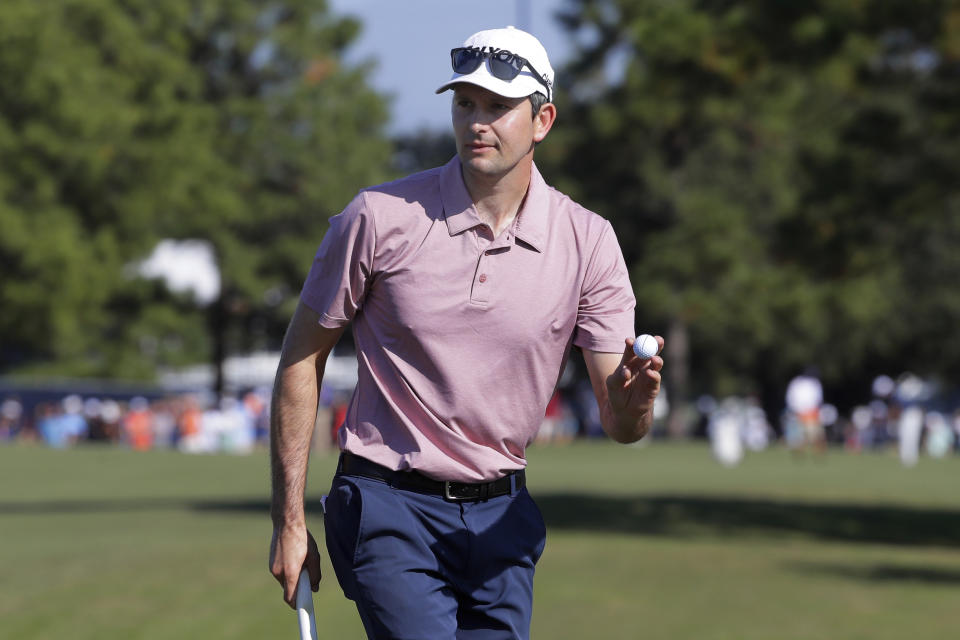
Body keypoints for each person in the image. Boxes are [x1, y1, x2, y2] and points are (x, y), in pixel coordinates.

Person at [268, 26, 664, 639]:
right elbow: (300, 359)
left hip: (504, 518)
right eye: (465, 103)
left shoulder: (590, 241)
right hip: (387, 504)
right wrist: (288, 519)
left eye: (499, 107)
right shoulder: (376, 216)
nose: (477, 122)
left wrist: (635, 406)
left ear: (543, 120)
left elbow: (620, 424)